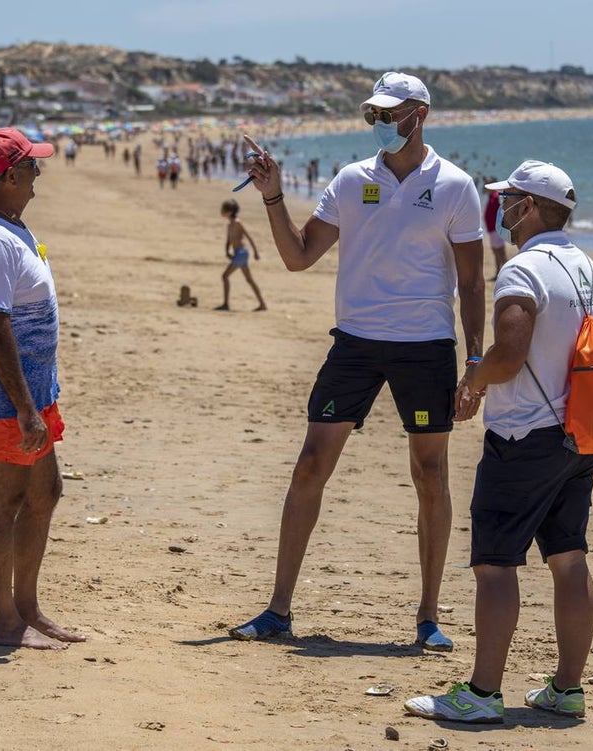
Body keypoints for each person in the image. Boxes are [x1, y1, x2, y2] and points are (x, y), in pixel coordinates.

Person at [227, 72, 486, 651]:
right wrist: (272, 195)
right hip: (356, 344)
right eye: (373, 115)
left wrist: (474, 363)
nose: (381, 125)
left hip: (425, 348)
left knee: (430, 476)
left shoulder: (455, 186)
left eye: (389, 115)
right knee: (310, 465)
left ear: (420, 115)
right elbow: (298, 257)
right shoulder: (351, 180)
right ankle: (278, 610)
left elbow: (472, 282)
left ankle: (427, 617)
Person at [404, 160, 593, 724]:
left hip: (524, 435)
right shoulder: (589, 269)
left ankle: (483, 693)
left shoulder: (526, 269)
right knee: (568, 559)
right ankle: (567, 690)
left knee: (495, 565)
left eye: (508, 200)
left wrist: (472, 380)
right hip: (579, 434)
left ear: (533, 207)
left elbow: (510, 352)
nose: (500, 209)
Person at [0, 127, 84, 650]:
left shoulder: (10, 226)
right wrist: (25, 410)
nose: (39, 174)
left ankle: (27, 608)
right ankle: (4, 620)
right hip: (6, 401)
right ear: (9, 175)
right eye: (32, 165)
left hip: (32, 394)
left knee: (44, 493)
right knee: (5, 500)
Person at [214, 199, 267, 312]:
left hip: (242, 253)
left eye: (224, 210)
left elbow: (249, 237)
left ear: (230, 211)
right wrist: (227, 251)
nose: (221, 211)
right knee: (249, 280)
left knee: (225, 276)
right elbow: (228, 240)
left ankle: (226, 304)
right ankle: (262, 304)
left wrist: (256, 252)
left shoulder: (238, 223)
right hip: (238, 253)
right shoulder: (229, 225)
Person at [483, 182, 507, 279]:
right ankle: (498, 272)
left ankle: (505, 273)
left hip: (496, 229)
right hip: (491, 229)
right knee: (496, 252)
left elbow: (503, 209)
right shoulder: (491, 196)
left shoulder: (496, 196)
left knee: (500, 252)